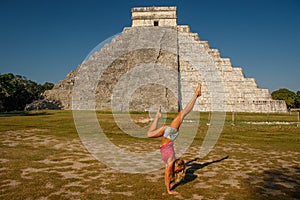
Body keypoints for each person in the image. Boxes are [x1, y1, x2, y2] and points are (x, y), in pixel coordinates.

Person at [147, 83, 202, 194]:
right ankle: (196, 94)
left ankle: (157, 117)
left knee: (149, 134)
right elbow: (170, 173)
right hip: (170, 135)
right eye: (179, 166)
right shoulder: (172, 161)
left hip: (167, 135)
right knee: (182, 113)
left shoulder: (170, 164)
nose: (177, 167)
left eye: (178, 167)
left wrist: (169, 189)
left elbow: (167, 176)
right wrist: (169, 189)